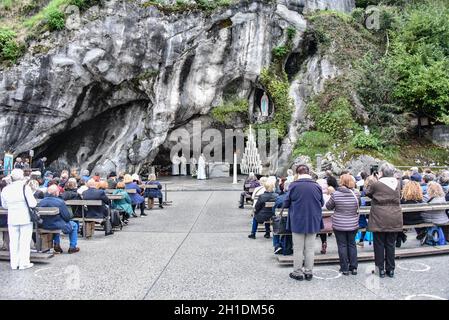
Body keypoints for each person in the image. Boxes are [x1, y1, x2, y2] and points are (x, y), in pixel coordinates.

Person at [284, 165, 323, 281]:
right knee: (310, 248)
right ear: (309, 173)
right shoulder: (317, 186)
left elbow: (286, 202)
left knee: (298, 248)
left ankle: (297, 272)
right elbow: (321, 202)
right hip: (313, 220)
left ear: (297, 173)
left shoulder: (294, 185)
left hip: (298, 220)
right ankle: (309, 272)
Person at [365, 163, 403, 278]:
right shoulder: (398, 183)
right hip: (395, 215)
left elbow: (367, 193)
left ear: (381, 172)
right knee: (390, 244)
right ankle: (390, 269)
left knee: (379, 244)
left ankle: (380, 269)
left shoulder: (377, 184)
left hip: (379, 216)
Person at [0, 169, 37, 270]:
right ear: (21, 177)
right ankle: (24, 263)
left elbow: (4, 205)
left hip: (12, 217)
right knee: (24, 240)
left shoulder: (5, 189)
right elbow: (33, 204)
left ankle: (14, 263)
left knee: (13, 241)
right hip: (25, 217)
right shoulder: (25, 188)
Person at [325, 174, 360, 275]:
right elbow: (358, 205)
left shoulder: (336, 194)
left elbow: (328, 207)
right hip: (353, 223)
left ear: (341, 182)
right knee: (352, 244)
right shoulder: (356, 194)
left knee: (342, 245)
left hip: (339, 224)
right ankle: (353, 267)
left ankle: (344, 268)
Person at [39, 185, 80, 254]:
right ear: (56, 193)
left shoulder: (41, 202)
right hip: (56, 225)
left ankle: (56, 244)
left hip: (44, 224)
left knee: (57, 222)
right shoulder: (60, 202)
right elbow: (67, 217)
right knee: (74, 225)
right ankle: (72, 247)